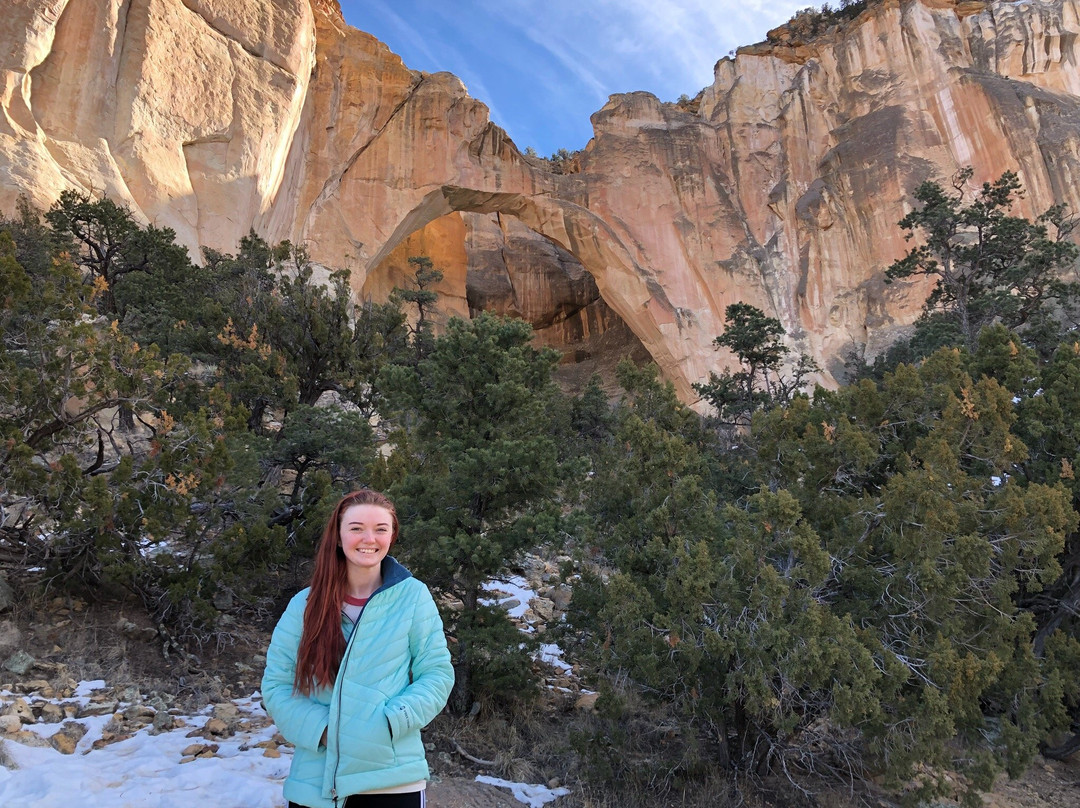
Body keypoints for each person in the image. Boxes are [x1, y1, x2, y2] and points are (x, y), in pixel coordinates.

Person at [262, 490, 454, 808]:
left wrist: (393, 721)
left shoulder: (413, 597)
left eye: (380, 528)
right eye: (356, 528)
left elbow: (436, 673)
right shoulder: (304, 606)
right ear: (338, 536)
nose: (369, 538)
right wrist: (323, 730)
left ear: (392, 535)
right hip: (316, 784)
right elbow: (277, 685)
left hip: (393, 783)